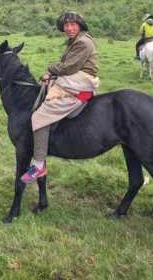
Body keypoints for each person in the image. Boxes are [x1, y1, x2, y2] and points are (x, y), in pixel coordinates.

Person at [21, 11, 100, 184]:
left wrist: (51, 68)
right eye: (66, 25)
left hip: (79, 80)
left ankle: (39, 164)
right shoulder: (77, 40)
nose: (69, 28)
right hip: (75, 77)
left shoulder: (83, 42)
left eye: (73, 24)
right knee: (47, 85)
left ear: (80, 25)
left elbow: (69, 67)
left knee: (39, 116)